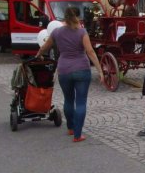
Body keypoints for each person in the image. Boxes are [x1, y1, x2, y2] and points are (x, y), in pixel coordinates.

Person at [36, 7, 103, 142]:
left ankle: (71, 128)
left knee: (68, 99)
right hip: (82, 70)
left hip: (64, 70)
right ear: (77, 17)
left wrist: (38, 55)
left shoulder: (56, 32)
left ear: (64, 17)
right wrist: (100, 70)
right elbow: (90, 52)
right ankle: (78, 135)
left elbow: (45, 47)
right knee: (80, 102)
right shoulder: (82, 32)